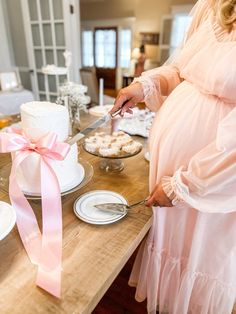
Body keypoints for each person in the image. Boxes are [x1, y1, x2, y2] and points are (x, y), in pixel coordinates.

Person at [111, 0, 236, 313]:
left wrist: (188, 185)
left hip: (214, 183)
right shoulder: (210, 4)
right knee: (171, 250)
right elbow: (183, 70)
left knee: (197, 256)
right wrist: (145, 84)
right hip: (175, 173)